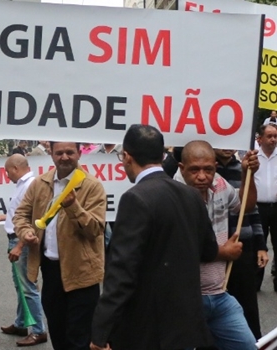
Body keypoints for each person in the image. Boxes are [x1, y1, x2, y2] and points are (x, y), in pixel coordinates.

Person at [90, 125, 220, 350]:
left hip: (149, 330)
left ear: (127, 157)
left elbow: (122, 272)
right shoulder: (191, 195)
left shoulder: (135, 199)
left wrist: (100, 332)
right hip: (188, 325)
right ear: (162, 156)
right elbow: (209, 249)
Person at [12, 141, 106, 350]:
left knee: (79, 339)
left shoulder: (92, 186)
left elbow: (95, 229)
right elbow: (21, 215)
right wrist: (26, 231)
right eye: (59, 152)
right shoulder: (40, 183)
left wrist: (73, 206)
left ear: (79, 154)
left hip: (82, 273)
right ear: (52, 155)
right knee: (58, 334)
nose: (65, 157)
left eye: (70, 152)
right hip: (50, 271)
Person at [173, 140, 258, 350]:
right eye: (194, 170)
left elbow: (245, 205)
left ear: (215, 168)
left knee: (246, 346)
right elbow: (179, 250)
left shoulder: (219, 183)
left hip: (219, 296)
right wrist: (223, 252)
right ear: (182, 168)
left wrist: (248, 175)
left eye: (208, 170)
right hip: (183, 301)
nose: (202, 176)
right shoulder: (172, 195)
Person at [0, 154, 47, 347]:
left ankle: (39, 330)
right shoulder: (24, 184)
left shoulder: (30, 185)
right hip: (16, 239)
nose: (6, 175)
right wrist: (2, 218)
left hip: (22, 241)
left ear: (14, 168)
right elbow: (19, 214)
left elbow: (33, 220)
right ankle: (21, 323)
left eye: (6, 171)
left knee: (28, 287)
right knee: (21, 286)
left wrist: (20, 245)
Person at [215, 147, 268, 338]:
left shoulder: (243, 168)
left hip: (242, 246)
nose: (227, 147)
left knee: (246, 305)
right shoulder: (204, 169)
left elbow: (251, 209)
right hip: (215, 249)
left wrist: (261, 245)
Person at [254, 124, 277, 290]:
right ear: (259, 139)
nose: (273, 139)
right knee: (258, 245)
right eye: (269, 136)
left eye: (275, 136)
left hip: (276, 207)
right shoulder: (253, 158)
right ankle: (255, 283)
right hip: (258, 208)